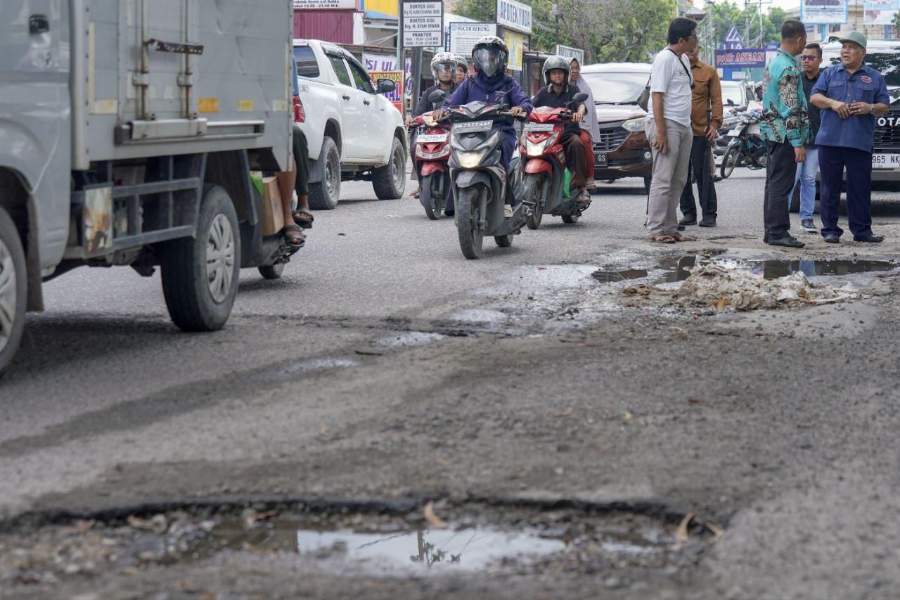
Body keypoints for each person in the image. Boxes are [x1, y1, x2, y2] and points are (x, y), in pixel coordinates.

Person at [810, 32, 890, 243]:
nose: (845, 51)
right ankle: (830, 230)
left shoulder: (875, 77)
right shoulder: (829, 73)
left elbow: (884, 106)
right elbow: (815, 97)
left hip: (859, 141)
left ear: (863, 52)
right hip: (830, 140)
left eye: (851, 47)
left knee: (859, 188)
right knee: (829, 187)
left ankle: (862, 231)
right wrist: (833, 104)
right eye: (844, 47)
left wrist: (869, 107)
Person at [441, 36, 532, 179]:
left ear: (501, 59)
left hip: (500, 131)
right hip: (468, 132)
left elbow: (524, 101)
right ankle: (452, 192)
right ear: (477, 59)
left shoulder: (509, 83)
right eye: (484, 57)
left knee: (505, 152)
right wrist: (443, 111)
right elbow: (451, 103)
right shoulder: (469, 82)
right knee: (453, 163)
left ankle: (505, 183)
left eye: (493, 57)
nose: (488, 61)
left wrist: (521, 108)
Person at [644, 17, 698, 244]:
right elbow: (657, 96)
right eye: (694, 36)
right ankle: (656, 228)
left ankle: (670, 227)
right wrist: (661, 132)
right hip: (666, 124)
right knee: (663, 178)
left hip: (683, 125)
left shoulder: (683, 58)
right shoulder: (664, 59)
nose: (697, 40)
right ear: (682, 39)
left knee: (678, 180)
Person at [759, 19, 809, 248]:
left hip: (772, 132)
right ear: (799, 39)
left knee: (773, 183)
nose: (804, 45)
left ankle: (771, 230)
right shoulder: (788, 68)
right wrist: (797, 142)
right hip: (785, 135)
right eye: (804, 41)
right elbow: (790, 107)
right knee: (781, 184)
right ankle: (778, 232)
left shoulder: (774, 62)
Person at [531, 55, 590, 205]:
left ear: (565, 74)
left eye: (560, 73)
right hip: (546, 133)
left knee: (577, 143)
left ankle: (580, 186)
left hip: (566, 133)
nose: (557, 76)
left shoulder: (573, 90)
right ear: (548, 75)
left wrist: (579, 113)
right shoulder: (543, 93)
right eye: (554, 73)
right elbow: (531, 107)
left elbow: (581, 105)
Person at [678, 46, 723, 229]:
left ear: (698, 49)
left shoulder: (709, 71)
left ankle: (709, 214)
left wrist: (715, 124)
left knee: (703, 174)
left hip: (700, 131)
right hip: (679, 130)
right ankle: (688, 213)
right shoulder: (676, 68)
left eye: (693, 48)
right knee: (681, 174)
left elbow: (716, 100)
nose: (691, 52)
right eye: (688, 48)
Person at [406, 52, 460, 199]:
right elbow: (419, 112)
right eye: (441, 68)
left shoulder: (460, 90)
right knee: (414, 145)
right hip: (433, 131)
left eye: (449, 68)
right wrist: (412, 119)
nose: (445, 71)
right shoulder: (429, 92)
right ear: (436, 71)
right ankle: (421, 182)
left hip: (454, 130)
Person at [790, 43, 823, 234]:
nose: (806, 61)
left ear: (820, 60)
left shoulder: (825, 80)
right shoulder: (795, 80)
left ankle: (807, 218)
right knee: (791, 180)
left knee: (809, 179)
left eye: (811, 57)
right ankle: (780, 221)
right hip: (796, 140)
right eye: (804, 57)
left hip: (817, 139)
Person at [569, 57, 600, 192]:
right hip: (556, 126)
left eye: (577, 68)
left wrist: (579, 114)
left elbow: (583, 106)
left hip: (577, 126)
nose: (574, 71)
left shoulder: (580, 88)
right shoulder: (550, 89)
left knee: (584, 141)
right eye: (571, 68)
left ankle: (587, 177)